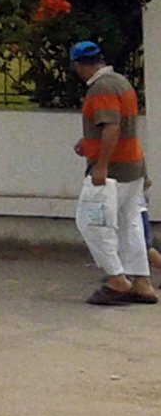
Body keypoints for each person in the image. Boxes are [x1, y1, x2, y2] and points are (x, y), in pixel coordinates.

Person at [70, 40, 155, 306]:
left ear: (80, 66)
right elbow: (126, 127)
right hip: (133, 166)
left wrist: (101, 165)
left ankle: (117, 279)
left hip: (113, 170)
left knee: (92, 223)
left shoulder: (101, 88)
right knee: (130, 225)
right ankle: (142, 282)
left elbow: (111, 128)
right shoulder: (120, 82)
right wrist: (88, 144)